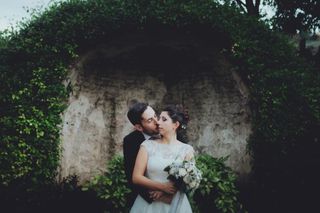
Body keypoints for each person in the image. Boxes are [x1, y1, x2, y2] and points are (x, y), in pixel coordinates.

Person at [130, 104, 195, 213]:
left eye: (163, 119)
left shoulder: (186, 150)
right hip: (148, 204)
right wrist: (162, 187)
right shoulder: (147, 145)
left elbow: (186, 179)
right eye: (159, 118)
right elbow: (136, 177)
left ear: (175, 125)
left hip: (174, 203)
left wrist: (166, 193)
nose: (158, 122)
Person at [123, 102, 174, 208]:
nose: (157, 122)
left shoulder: (171, 133)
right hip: (147, 200)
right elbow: (131, 175)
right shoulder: (131, 141)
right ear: (139, 127)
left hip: (173, 197)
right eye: (150, 120)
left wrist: (171, 191)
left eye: (156, 116)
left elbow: (184, 167)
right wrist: (156, 196)